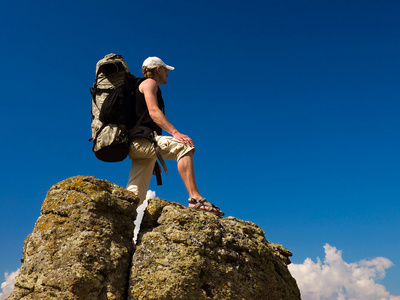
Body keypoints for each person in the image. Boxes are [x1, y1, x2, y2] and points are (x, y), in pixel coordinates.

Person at [126, 56, 224, 216]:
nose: (167, 74)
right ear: (158, 69)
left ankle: (124, 225)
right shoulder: (150, 83)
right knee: (185, 146)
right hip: (141, 142)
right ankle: (195, 199)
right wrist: (175, 133)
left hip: (136, 143)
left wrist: (152, 156)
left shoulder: (138, 86)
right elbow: (153, 111)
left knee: (135, 193)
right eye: (166, 70)